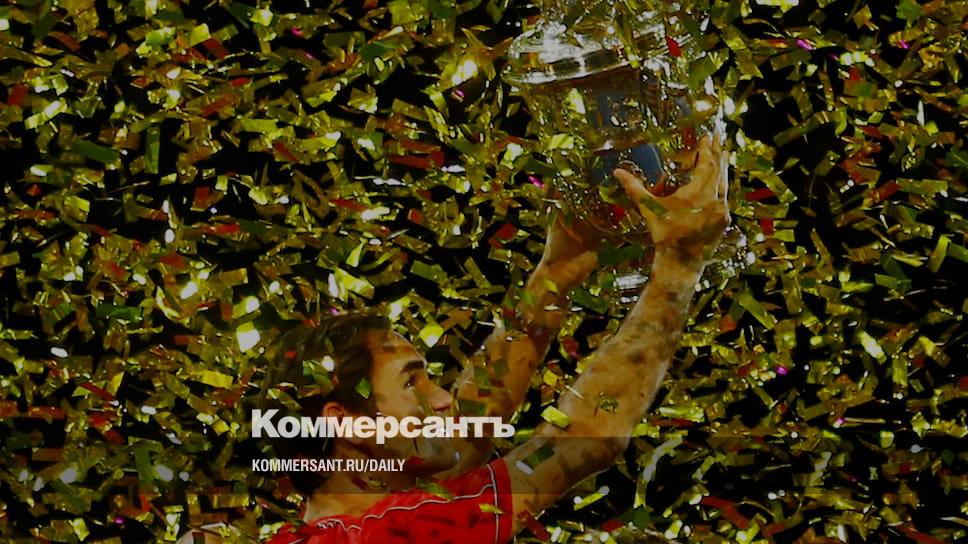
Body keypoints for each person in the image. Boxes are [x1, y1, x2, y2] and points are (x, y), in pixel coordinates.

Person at [177, 134, 730, 543]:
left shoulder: (346, 524)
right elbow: (587, 437)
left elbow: (467, 429)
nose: (442, 398)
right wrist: (679, 264)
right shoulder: (392, 535)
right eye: (411, 384)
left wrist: (554, 277)